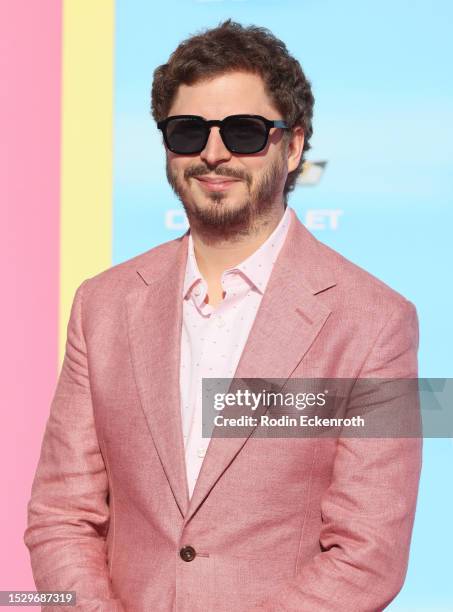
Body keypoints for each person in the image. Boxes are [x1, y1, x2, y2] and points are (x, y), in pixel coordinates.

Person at [24, 20, 422, 612]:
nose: (213, 153)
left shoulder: (378, 321)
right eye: (188, 132)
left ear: (292, 147)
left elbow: (369, 554)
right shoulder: (100, 305)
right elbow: (61, 515)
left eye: (243, 132)